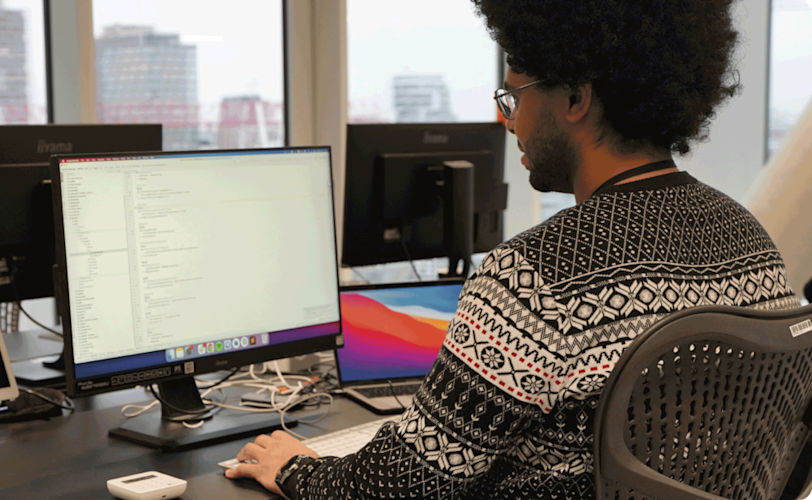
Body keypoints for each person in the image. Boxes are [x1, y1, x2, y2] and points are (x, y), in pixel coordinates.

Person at [226, 0, 800, 498]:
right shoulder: (749, 237)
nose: (508, 121)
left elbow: (403, 483)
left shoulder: (539, 274)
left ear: (574, 98)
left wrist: (297, 468)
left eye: (515, 95)